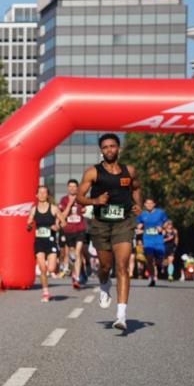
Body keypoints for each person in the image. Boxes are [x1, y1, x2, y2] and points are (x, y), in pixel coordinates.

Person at [76, 133, 142, 332]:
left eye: (112, 146)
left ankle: (121, 315)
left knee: (122, 265)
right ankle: (104, 285)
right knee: (105, 266)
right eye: (105, 147)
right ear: (101, 151)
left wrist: (137, 205)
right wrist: (95, 202)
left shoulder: (129, 171)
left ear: (118, 148)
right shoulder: (93, 173)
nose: (109, 150)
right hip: (101, 224)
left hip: (123, 222)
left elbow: (136, 188)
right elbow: (79, 197)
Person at [26, 185, 65, 302]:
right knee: (43, 268)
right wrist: (29, 226)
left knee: (51, 269)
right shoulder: (34, 209)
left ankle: (57, 266)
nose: (42, 195)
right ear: (36, 195)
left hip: (51, 241)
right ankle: (45, 292)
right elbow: (28, 224)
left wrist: (57, 227)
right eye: (40, 193)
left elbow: (64, 223)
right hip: (39, 242)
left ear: (47, 195)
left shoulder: (53, 208)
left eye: (44, 193)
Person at [59, 179, 87, 289]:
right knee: (72, 255)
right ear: (67, 188)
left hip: (80, 229)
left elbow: (87, 210)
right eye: (70, 186)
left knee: (78, 252)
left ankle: (76, 277)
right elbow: (63, 215)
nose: (72, 188)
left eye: (74, 186)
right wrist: (70, 204)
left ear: (77, 188)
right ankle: (81, 270)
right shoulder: (64, 200)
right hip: (68, 230)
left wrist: (86, 210)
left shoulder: (81, 199)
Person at [137, 198, 169, 287]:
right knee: (149, 259)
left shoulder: (160, 213)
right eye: (147, 203)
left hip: (158, 240)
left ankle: (159, 267)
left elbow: (166, 222)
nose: (149, 205)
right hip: (147, 240)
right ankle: (152, 278)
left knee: (159, 260)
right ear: (145, 205)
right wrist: (139, 227)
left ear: (154, 204)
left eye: (151, 203)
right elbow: (139, 224)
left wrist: (162, 227)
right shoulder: (142, 214)